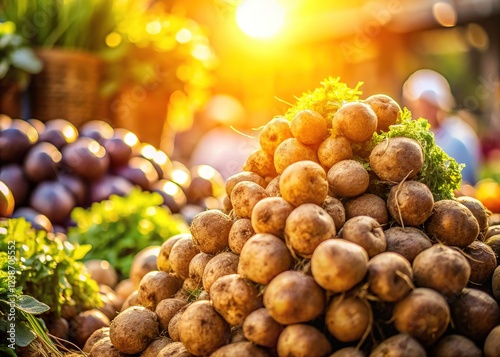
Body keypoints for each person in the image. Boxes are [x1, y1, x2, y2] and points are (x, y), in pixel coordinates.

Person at [402, 69, 482, 185]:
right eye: (422, 104)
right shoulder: (408, 136)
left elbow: (466, 184)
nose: (426, 109)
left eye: (431, 105)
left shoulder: (459, 138)